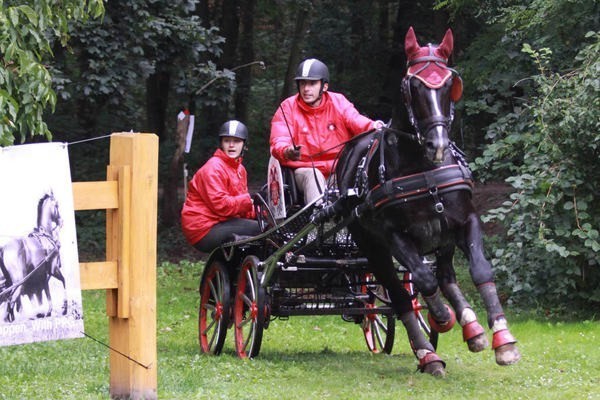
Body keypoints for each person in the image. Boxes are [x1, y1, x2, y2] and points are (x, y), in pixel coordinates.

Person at [270, 58, 383, 204]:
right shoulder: (287, 107)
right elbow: (278, 139)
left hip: (338, 170)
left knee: (361, 173)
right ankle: (318, 220)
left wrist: (375, 126)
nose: (306, 89)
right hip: (304, 171)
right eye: (303, 83)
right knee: (314, 176)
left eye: (312, 83)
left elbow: (356, 120)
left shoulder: (338, 102)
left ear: (324, 86)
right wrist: (287, 151)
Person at [181, 120, 261, 253]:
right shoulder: (213, 167)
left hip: (220, 221)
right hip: (203, 227)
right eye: (227, 140)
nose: (231, 145)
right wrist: (248, 200)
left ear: (244, 145)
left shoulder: (240, 170)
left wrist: (261, 211)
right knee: (261, 229)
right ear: (221, 144)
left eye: (236, 141)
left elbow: (241, 209)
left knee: (268, 226)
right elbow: (221, 205)